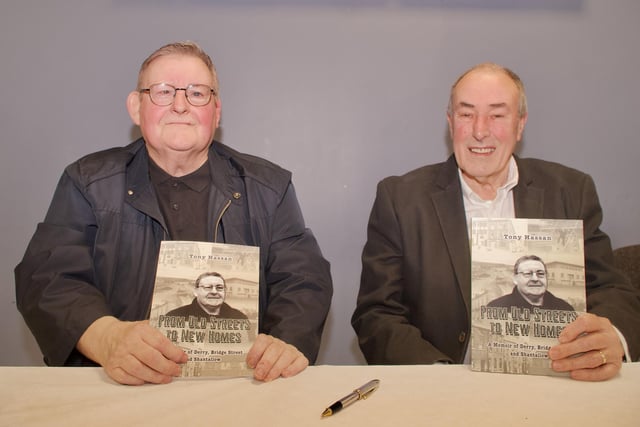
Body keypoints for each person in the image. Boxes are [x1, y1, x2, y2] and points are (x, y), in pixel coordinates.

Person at [15, 41, 332, 385]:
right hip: (117, 390)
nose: (180, 105)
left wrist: (285, 343)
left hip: (241, 390)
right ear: (136, 108)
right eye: (163, 92)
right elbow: (47, 279)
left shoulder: (269, 187)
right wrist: (107, 338)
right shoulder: (87, 182)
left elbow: (304, 281)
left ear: (217, 110)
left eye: (197, 93)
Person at [352, 62, 640, 381]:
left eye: (497, 115)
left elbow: (610, 288)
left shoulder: (571, 191)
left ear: (520, 124)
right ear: (451, 123)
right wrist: (441, 378)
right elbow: (376, 315)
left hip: (554, 382)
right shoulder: (401, 199)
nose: (479, 130)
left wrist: (612, 336)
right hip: (446, 390)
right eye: (466, 114)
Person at [487, 255, 575, 311]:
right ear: (515, 279)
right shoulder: (496, 308)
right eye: (527, 274)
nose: (535, 279)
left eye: (540, 274)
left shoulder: (565, 308)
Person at [165, 272, 248, 320]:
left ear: (225, 291)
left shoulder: (240, 318)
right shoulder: (175, 316)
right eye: (208, 287)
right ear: (195, 291)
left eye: (219, 288)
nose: (214, 292)